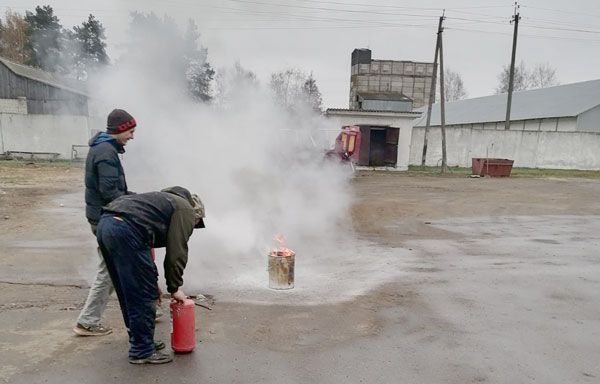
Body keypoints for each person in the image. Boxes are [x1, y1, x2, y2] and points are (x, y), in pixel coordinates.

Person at [96, 186, 205, 364]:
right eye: (196, 223)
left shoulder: (159, 202)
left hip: (106, 225)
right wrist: (175, 287)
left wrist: (153, 282)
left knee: (129, 290)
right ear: (196, 212)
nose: (192, 227)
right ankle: (142, 350)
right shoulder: (185, 209)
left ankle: (141, 340)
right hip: (124, 230)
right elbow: (176, 253)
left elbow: (145, 253)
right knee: (142, 294)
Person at [73, 109, 137, 336]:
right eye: (130, 131)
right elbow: (110, 193)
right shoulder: (105, 152)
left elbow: (116, 190)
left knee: (125, 264)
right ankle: (87, 322)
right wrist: (134, 205)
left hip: (101, 216)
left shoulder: (106, 149)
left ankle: (148, 307)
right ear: (120, 130)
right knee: (109, 271)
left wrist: (135, 197)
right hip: (104, 218)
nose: (132, 136)